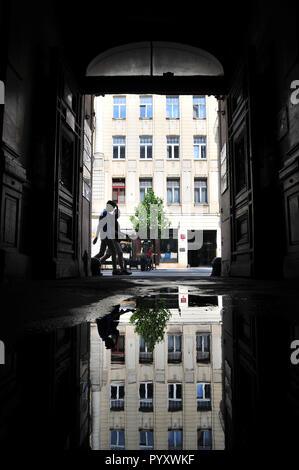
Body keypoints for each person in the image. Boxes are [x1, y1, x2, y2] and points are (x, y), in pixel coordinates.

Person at [99, 203, 132, 275]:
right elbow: (114, 231)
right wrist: (124, 235)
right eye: (117, 212)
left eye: (119, 213)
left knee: (107, 255)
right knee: (119, 253)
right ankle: (121, 269)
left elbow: (117, 231)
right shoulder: (112, 220)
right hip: (113, 239)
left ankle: (96, 265)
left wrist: (124, 235)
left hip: (113, 239)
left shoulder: (115, 221)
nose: (118, 214)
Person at [93, 200, 119, 275]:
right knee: (113, 251)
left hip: (103, 235)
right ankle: (114, 270)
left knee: (101, 253)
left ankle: (90, 263)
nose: (113, 209)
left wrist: (97, 237)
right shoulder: (105, 214)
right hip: (107, 235)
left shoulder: (104, 213)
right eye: (112, 207)